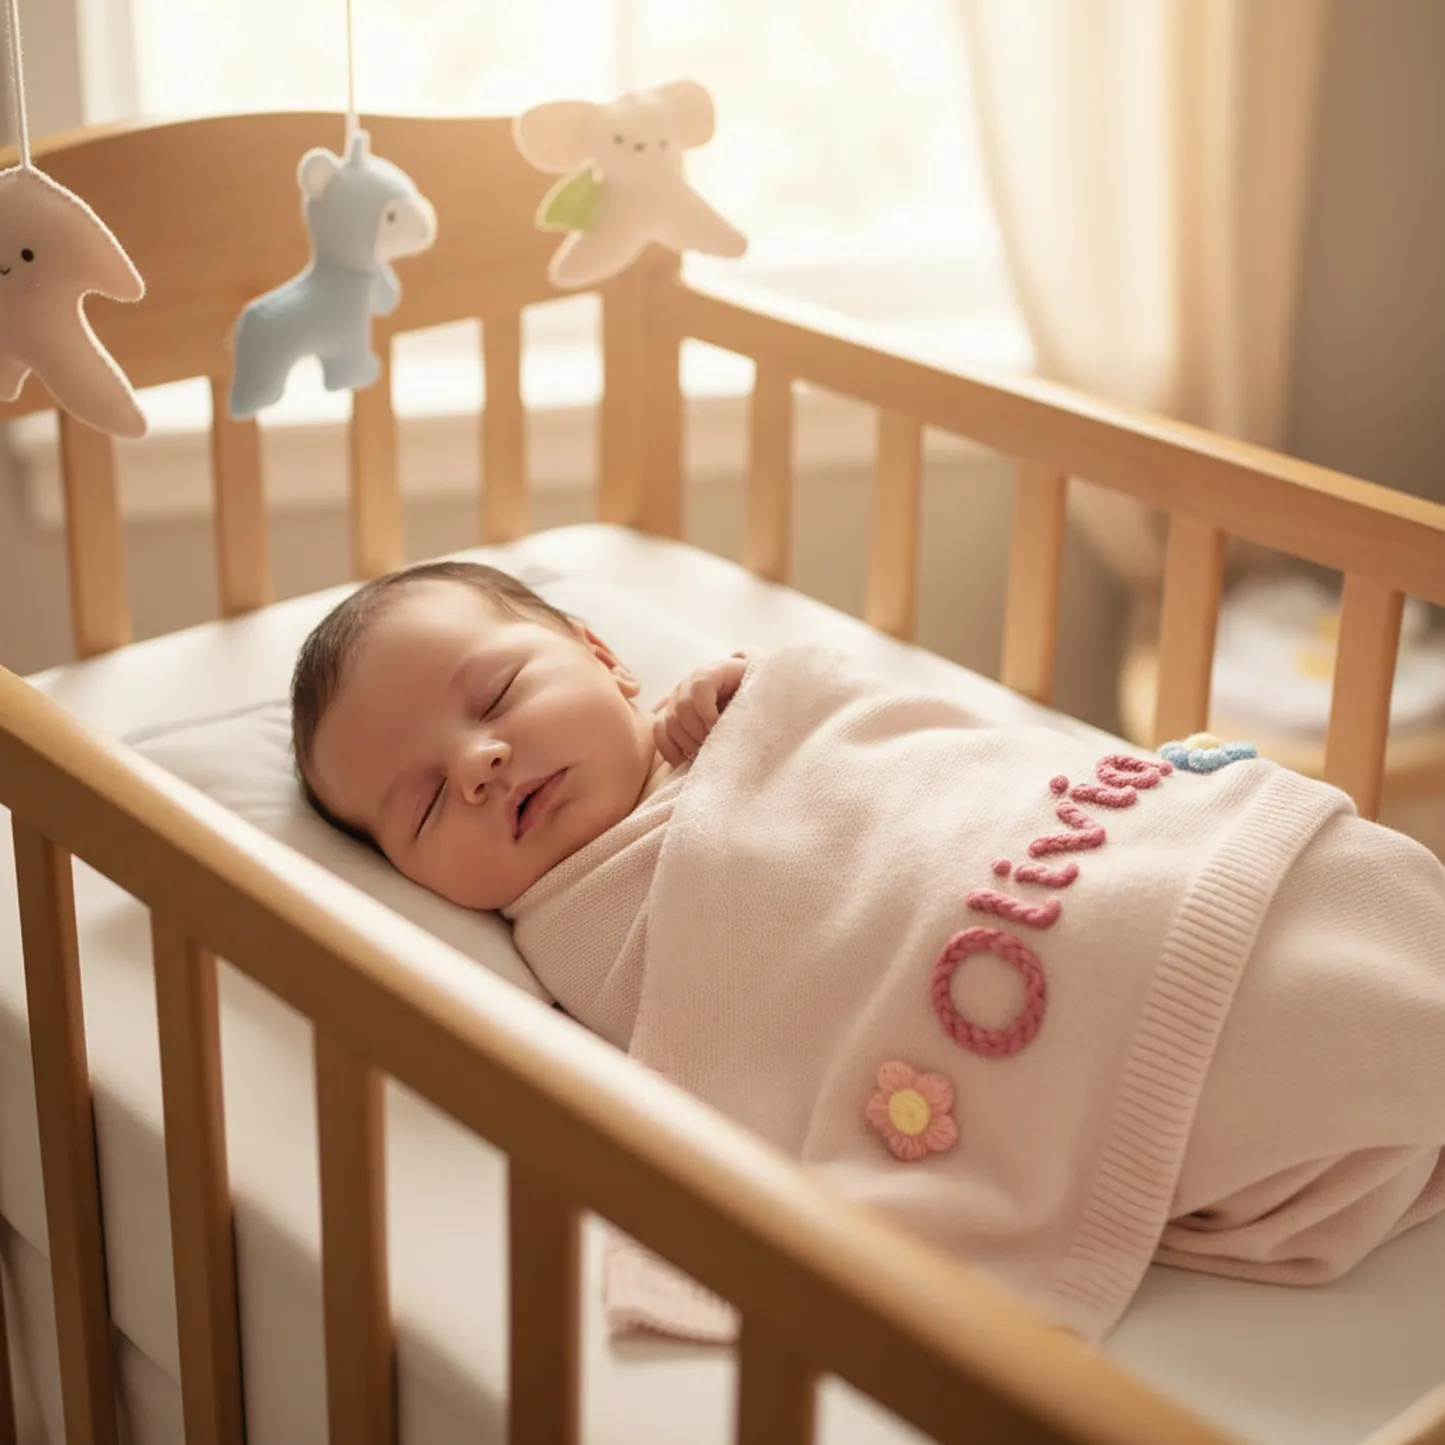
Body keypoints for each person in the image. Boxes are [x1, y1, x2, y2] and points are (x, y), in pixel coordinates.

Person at [291, 557, 1445, 1345]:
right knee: (1272, 1032)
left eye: (494, 691)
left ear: (605, 655)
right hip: (1074, 966)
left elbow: (911, 760)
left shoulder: (746, 715)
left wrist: (749, 690)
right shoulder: (559, 934)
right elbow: (747, 1007)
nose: (479, 760)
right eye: (422, 804)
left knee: (1349, 933)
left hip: (1134, 854)